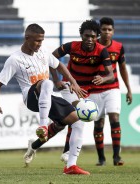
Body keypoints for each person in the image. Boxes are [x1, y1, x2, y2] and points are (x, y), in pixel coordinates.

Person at [0, 23, 89, 175]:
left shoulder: (43, 52)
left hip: (47, 96)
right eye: (37, 40)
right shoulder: (15, 59)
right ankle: (43, 126)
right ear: (27, 38)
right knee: (46, 82)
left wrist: (73, 83)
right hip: (30, 98)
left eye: (42, 40)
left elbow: (59, 66)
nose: (40, 44)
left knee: (78, 120)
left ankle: (70, 166)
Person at [23, 20, 114, 174]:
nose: (89, 39)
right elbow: (52, 59)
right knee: (79, 118)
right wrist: (57, 79)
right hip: (70, 87)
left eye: (93, 36)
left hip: (88, 91)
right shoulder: (71, 46)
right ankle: (69, 159)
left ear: (97, 37)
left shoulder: (102, 51)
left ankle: (34, 145)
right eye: (86, 36)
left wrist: (103, 79)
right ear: (81, 35)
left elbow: (111, 74)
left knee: (60, 125)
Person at [60, 17, 132, 166]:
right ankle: (101, 158)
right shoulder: (89, 46)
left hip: (111, 87)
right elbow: (70, 63)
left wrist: (128, 89)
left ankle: (116, 156)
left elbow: (119, 70)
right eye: (104, 29)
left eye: (109, 29)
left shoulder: (115, 48)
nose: (106, 32)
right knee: (97, 123)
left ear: (113, 31)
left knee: (114, 117)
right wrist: (70, 80)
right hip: (91, 90)